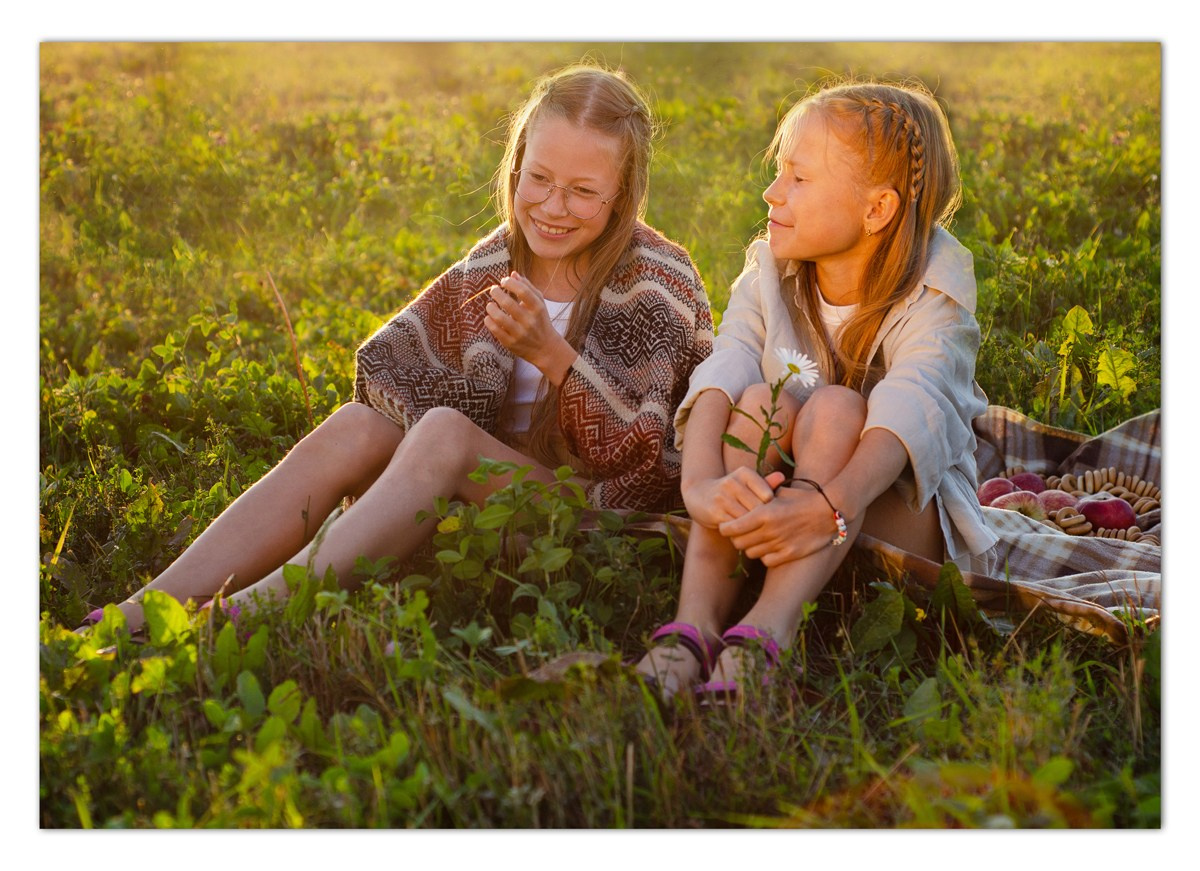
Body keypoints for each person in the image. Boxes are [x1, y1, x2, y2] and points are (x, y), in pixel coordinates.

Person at [81, 64, 712, 634]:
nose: (552, 206)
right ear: (517, 164)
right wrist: (398, 458)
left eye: (583, 191)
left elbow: (647, 462)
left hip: (594, 515)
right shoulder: (497, 259)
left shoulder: (657, 280)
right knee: (360, 424)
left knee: (444, 434)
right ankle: (145, 608)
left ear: (623, 193)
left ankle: (239, 617)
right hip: (487, 495)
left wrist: (552, 356)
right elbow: (392, 369)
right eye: (539, 178)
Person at [635, 79, 998, 699]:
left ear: (877, 210)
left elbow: (912, 404)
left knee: (836, 407)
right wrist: (699, 485)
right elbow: (728, 365)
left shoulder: (937, 289)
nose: (772, 192)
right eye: (780, 171)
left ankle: (767, 631)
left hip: (897, 516)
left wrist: (830, 504)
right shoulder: (770, 270)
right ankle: (694, 625)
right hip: (790, 502)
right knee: (757, 401)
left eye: (799, 178)